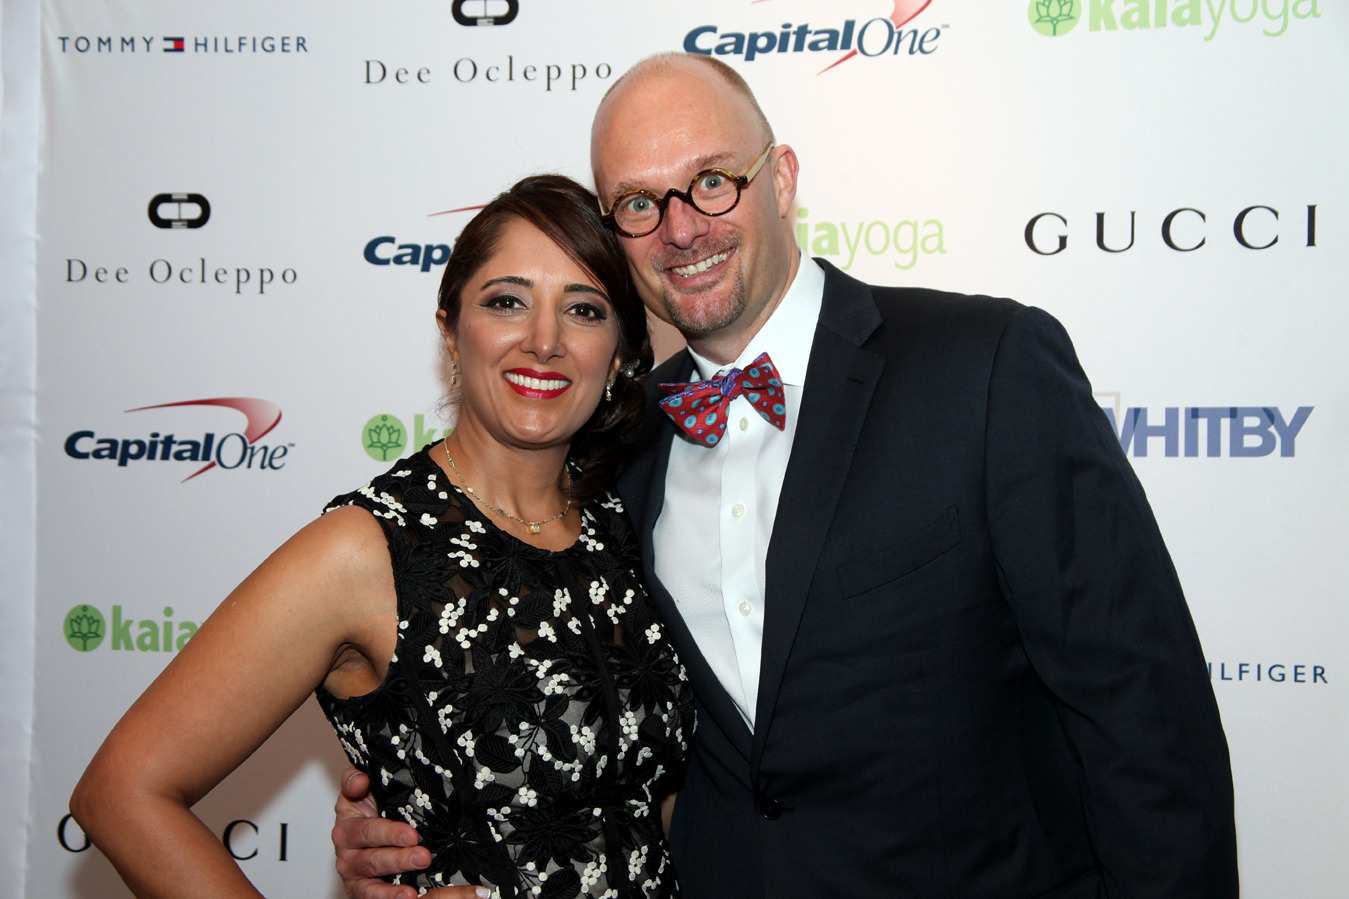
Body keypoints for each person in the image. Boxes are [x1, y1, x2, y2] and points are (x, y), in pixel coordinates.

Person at [334, 54, 1239, 898]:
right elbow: (581, 719)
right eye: (639, 202)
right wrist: (421, 814)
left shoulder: (984, 367)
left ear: (781, 180)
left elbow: (1143, 718)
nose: (680, 227)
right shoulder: (612, 451)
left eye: (711, 181)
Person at [70, 175, 694, 899]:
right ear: (451, 331)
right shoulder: (367, 548)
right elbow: (122, 792)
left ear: (617, 353)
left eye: (583, 310)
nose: (544, 341)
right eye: (506, 301)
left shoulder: (628, 522)